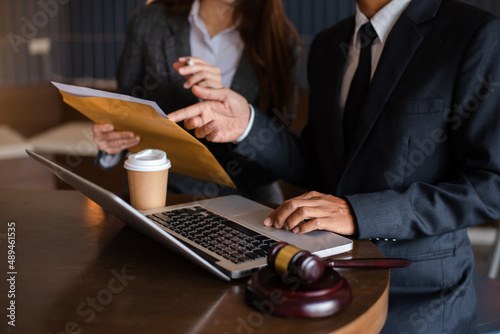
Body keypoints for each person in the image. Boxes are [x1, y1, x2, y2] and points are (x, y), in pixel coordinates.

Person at [167, 0, 500, 332]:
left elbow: (491, 185)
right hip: (322, 279)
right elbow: (317, 164)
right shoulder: (329, 45)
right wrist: (250, 126)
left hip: (419, 296)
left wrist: (359, 213)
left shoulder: (473, 33)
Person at [92, 0, 301, 204]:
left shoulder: (282, 43)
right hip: (162, 193)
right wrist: (113, 141)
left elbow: (278, 154)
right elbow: (125, 107)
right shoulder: (150, 20)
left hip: (248, 201)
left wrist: (227, 105)